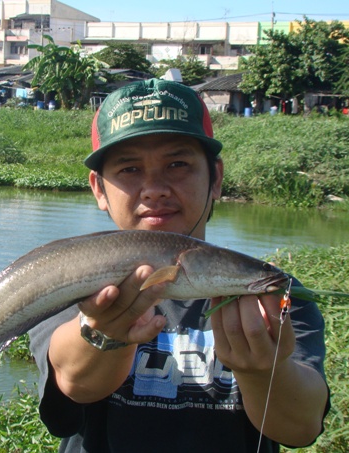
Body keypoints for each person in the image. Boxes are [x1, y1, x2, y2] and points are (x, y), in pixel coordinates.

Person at [28, 79, 329, 452]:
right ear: (99, 189)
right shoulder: (73, 277)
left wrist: (264, 372)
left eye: (177, 164)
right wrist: (103, 332)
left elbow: (300, 427)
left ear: (216, 178)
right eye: (129, 170)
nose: (154, 188)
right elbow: (75, 383)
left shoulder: (271, 289)